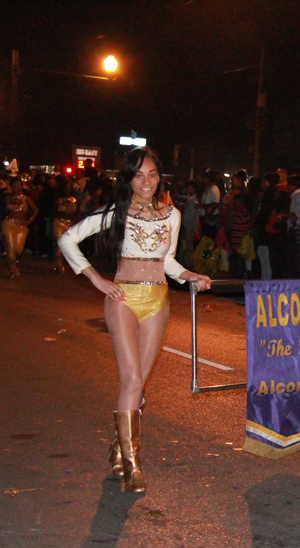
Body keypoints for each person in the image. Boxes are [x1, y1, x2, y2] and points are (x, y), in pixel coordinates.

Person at [58, 148, 211, 493]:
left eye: (153, 174)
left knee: (140, 383)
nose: (147, 182)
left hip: (158, 300)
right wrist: (97, 279)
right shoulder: (115, 212)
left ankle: (118, 448)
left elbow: (168, 261)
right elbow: (68, 239)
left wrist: (189, 275)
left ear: (161, 177)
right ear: (128, 178)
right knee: (130, 380)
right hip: (123, 299)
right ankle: (131, 464)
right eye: (139, 175)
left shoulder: (171, 214)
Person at [2, 178, 38, 278]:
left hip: (21, 225)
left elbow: (35, 210)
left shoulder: (26, 198)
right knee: (11, 247)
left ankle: (15, 264)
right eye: (14, 185)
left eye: (18, 185)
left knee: (19, 249)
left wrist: (30, 220)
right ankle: (12, 269)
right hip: (9, 223)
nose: (16, 187)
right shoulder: (7, 198)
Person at [52, 188, 79, 273]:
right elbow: (53, 210)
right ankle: (59, 263)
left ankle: (61, 262)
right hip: (59, 222)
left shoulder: (74, 200)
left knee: (68, 243)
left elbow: (77, 212)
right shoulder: (59, 200)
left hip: (70, 223)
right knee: (60, 242)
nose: (67, 190)